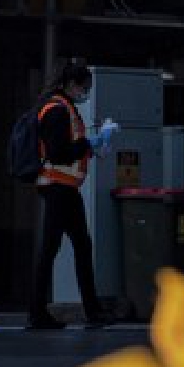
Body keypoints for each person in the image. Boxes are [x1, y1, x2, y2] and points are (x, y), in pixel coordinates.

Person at [27, 59, 115, 330]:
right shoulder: (57, 110)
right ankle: (45, 313)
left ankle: (75, 310)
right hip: (59, 187)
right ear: (71, 84)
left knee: (70, 247)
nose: (85, 93)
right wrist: (90, 143)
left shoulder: (60, 107)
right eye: (84, 88)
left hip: (61, 187)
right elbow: (59, 153)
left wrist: (91, 145)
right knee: (61, 248)